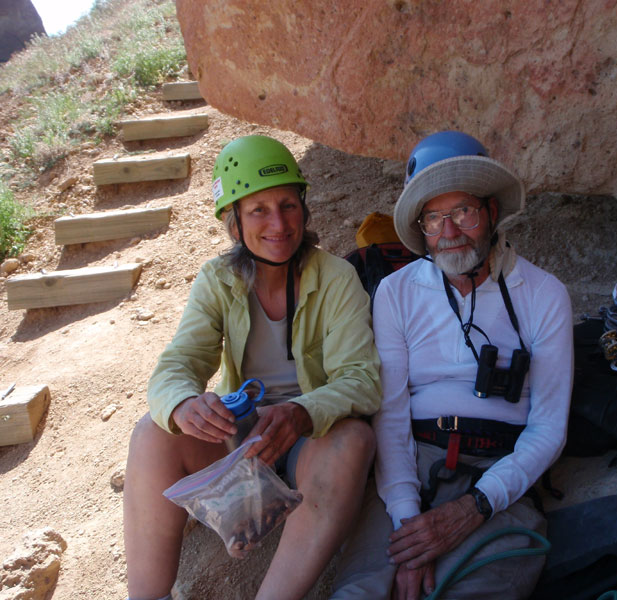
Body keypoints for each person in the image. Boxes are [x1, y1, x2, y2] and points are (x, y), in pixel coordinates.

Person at [123, 135, 382, 600]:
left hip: (312, 442)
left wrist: (302, 412)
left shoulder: (336, 277)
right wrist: (183, 403)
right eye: (258, 209)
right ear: (234, 222)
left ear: (304, 209)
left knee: (354, 439)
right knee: (153, 432)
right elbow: (179, 362)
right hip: (243, 442)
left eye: (287, 204)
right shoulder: (218, 280)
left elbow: (361, 378)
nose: (278, 223)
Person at [332, 131, 574, 599]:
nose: (449, 232)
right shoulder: (397, 293)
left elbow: (548, 428)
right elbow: (392, 411)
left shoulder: (544, 295)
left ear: (492, 213)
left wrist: (477, 505)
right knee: (358, 593)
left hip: (500, 470)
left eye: (462, 211)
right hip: (413, 464)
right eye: (434, 218)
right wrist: (407, 519)